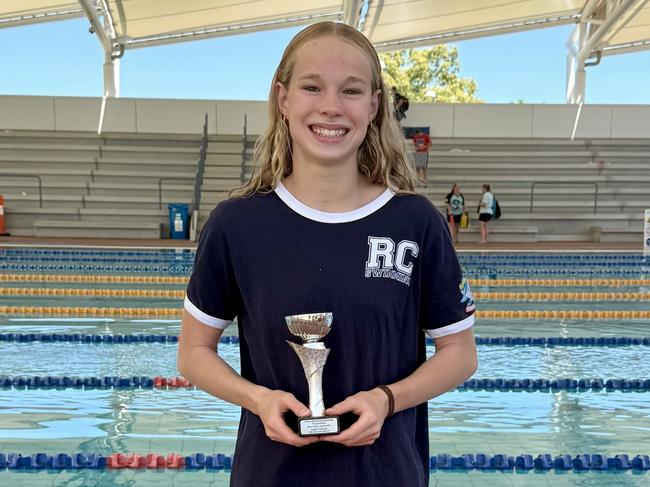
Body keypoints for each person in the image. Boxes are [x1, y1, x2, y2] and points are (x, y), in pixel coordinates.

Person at [178, 21, 477, 487]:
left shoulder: (415, 222)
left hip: (387, 475)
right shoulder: (237, 225)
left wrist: (388, 399)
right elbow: (194, 351)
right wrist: (257, 399)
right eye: (312, 87)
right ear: (283, 98)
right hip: (271, 475)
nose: (331, 107)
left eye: (352, 90)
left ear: (374, 105)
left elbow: (459, 352)